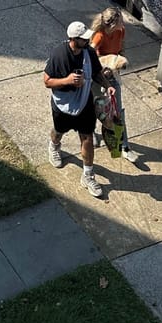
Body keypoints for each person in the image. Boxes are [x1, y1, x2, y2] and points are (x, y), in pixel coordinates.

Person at [44, 20, 113, 199]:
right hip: (63, 105)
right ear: (73, 39)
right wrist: (67, 81)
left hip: (84, 103)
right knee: (59, 131)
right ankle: (54, 146)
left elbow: (97, 72)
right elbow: (47, 81)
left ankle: (88, 175)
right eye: (84, 39)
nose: (88, 42)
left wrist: (107, 85)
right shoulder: (58, 54)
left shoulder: (89, 52)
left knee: (87, 137)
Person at [89, 7, 138, 163]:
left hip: (113, 74)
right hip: (98, 76)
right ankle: (91, 133)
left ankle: (124, 146)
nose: (123, 23)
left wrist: (118, 62)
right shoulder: (99, 35)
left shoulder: (120, 31)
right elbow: (90, 55)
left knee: (117, 110)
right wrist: (104, 67)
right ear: (112, 24)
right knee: (96, 107)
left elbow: (121, 47)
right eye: (120, 21)